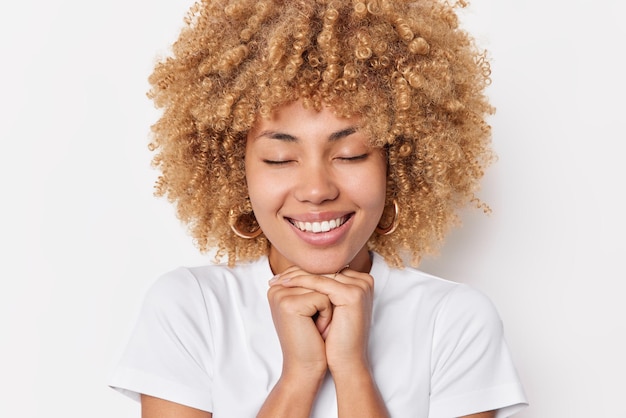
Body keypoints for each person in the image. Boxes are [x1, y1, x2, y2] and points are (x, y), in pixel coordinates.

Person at [109, 0, 528, 417]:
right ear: (236, 173)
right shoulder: (192, 306)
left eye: (350, 154)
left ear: (396, 165)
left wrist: (352, 370)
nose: (316, 190)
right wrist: (301, 373)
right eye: (279, 158)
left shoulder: (453, 320)